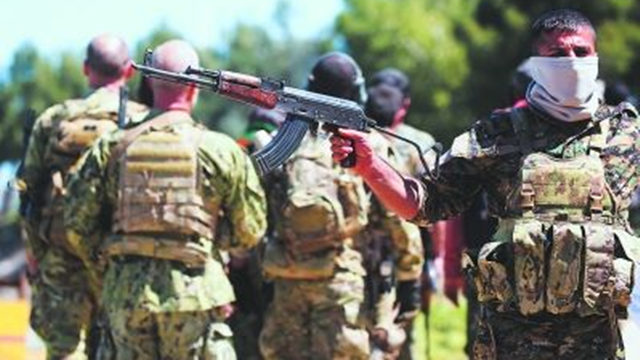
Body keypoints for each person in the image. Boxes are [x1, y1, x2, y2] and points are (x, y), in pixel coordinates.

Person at [331, 9, 640, 359]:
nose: (572, 62)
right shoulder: (496, 134)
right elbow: (425, 204)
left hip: (597, 342)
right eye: (558, 54)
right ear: (538, 64)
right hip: (512, 343)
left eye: (581, 52)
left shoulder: (626, 133)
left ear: (595, 57)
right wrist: (371, 166)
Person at [64, 39, 267, 359]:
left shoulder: (111, 148)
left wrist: (110, 264)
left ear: (148, 81)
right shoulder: (221, 151)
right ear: (194, 88)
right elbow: (251, 230)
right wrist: (211, 240)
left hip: (126, 297)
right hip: (196, 297)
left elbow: (77, 225)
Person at [18, 34, 148, 359]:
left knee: (65, 349)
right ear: (129, 71)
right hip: (121, 259)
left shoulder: (54, 118)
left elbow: (27, 191)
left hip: (62, 256)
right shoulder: (146, 121)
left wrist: (35, 254)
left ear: (85, 69)